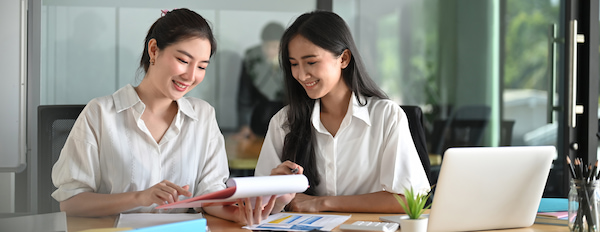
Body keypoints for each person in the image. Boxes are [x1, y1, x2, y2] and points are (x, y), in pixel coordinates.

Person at [51, 8, 273, 224]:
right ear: (154, 50)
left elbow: (210, 194)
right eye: (184, 61)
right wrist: (140, 197)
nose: (191, 76)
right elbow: (71, 202)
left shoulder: (203, 116)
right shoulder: (100, 113)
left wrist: (235, 213)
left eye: (202, 66)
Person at [254, 10, 430, 214]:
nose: (301, 74)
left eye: (311, 62)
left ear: (344, 59)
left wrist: (322, 203)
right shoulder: (284, 122)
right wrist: (276, 195)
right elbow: (259, 205)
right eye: (294, 64)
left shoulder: (386, 116)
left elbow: (409, 199)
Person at [236, 22, 285, 140]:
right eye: (266, 46)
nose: (270, 51)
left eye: (274, 47)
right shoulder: (252, 59)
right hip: (257, 120)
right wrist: (244, 125)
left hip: (285, 120)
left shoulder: (291, 59)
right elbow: (244, 96)